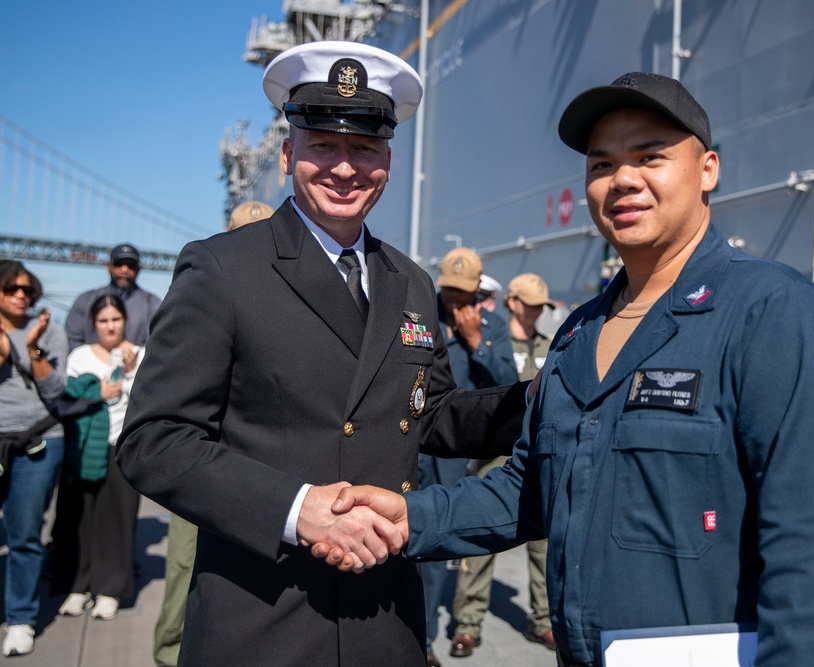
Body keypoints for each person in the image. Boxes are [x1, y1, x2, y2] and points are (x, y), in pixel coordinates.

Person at [324, 71, 814, 666]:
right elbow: (533, 488)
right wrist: (411, 516)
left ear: (708, 171)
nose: (622, 180)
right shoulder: (577, 333)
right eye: (601, 165)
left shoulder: (774, 316)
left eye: (651, 157)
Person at [116, 41, 528, 666]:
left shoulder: (410, 281)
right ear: (288, 154)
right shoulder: (225, 268)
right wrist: (295, 508)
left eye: (364, 148)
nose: (345, 168)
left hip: (385, 617)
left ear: (387, 158)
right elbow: (154, 438)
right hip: (261, 617)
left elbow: (432, 411)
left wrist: (548, 398)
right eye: (324, 146)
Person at [152, 200, 274, 667]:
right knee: (186, 567)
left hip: (264, 467)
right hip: (207, 462)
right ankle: (168, 655)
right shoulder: (213, 280)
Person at [450, 272, 557, 658]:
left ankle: (543, 620)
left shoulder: (551, 344)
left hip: (542, 456)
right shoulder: (494, 341)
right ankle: (468, 623)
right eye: (528, 303)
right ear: (512, 301)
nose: (534, 312)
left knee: (544, 545)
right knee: (481, 539)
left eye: (540, 307)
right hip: (497, 453)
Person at [419, 248, 517, 664]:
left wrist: (477, 341)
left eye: (463, 295)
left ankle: (422, 641)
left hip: (458, 454)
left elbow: (510, 387)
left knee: (434, 544)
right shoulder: (422, 317)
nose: (455, 302)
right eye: (449, 293)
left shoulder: (492, 326)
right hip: (417, 443)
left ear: (478, 292)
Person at [52, 294, 144, 621]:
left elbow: (146, 404)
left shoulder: (140, 354)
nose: (110, 326)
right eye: (103, 320)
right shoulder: (78, 356)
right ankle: (77, 586)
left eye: (115, 320)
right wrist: (98, 395)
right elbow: (65, 401)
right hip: (83, 447)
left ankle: (109, 590)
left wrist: (131, 372)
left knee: (116, 521)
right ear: (94, 323)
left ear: (125, 321)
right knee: (80, 520)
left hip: (121, 446)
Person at [0, 259, 68, 657]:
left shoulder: (50, 331)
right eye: (11, 288)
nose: (20, 295)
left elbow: (57, 391)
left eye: (27, 289)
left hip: (39, 441)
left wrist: (30, 348)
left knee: (25, 534)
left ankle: (21, 619)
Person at [64, 244, 162, 349]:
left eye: (131, 265)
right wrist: (98, 359)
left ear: (138, 269)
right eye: (118, 264)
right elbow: (71, 342)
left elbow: (156, 346)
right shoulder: (85, 300)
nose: (124, 269)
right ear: (109, 267)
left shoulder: (152, 303)